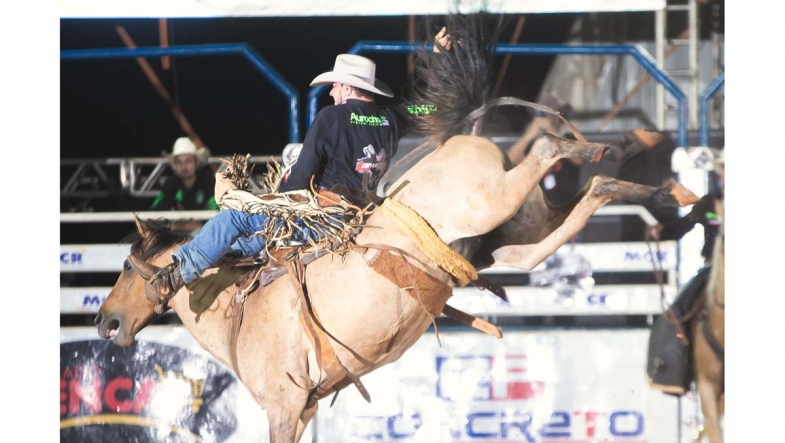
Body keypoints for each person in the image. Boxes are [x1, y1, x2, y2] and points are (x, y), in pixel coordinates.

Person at [129, 30, 452, 306]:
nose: (332, 92)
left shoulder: (331, 116)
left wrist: (277, 202)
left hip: (323, 216)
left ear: (349, 88)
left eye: (336, 86)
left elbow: (302, 174)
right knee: (249, 239)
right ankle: (226, 263)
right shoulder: (392, 118)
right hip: (358, 214)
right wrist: (444, 61)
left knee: (233, 216)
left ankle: (176, 276)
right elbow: (432, 105)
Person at [646, 147, 724, 395]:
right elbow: (683, 227)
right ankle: (671, 373)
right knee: (675, 314)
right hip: (714, 269)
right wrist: (663, 232)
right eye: (723, 168)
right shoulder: (710, 202)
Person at [507, 93, 665, 207]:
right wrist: (529, 134)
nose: (554, 118)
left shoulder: (569, 136)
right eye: (548, 114)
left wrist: (552, 134)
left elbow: (579, 159)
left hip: (565, 206)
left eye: (555, 114)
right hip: (539, 206)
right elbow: (510, 160)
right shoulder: (534, 142)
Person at [151, 137, 218, 212]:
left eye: (188, 161)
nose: (184, 167)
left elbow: (217, 213)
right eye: (179, 162)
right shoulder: (170, 183)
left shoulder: (208, 181)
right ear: (175, 165)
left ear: (196, 162)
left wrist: (193, 223)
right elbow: (156, 211)